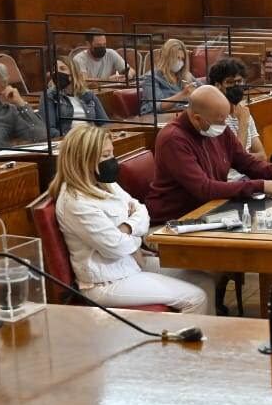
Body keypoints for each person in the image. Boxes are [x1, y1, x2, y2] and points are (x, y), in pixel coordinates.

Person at [50, 125, 207, 313]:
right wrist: (134, 239)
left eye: (111, 154)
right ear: (84, 161)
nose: (112, 161)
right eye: (105, 155)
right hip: (106, 282)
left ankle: (209, 338)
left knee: (202, 279)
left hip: (130, 264)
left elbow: (142, 210)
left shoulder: (104, 183)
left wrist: (126, 227)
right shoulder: (75, 202)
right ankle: (184, 339)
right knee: (195, 298)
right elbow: (116, 248)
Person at [146, 86, 272, 223]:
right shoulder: (173, 139)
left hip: (212, 209)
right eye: (220, 120)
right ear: (197, 118)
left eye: (225, 118)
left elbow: (245, 161)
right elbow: (204, 189)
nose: (224, 125)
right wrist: (260, 186)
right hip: (176, 220)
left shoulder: (217, 126)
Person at [207, 57, 266, 180]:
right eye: (230, 82)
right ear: (217, 85)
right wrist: (243, 124)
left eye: (239, 82)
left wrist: (245, 157)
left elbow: (262, 155)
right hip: (230, 180)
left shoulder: (243, 111)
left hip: (248, 176)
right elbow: (235, 158)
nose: (236, 86)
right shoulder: (216, 118)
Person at [41, 57, 109, 136]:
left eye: (62, 69)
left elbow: (105, 123)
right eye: (54, 70)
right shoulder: (50, 96)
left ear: (73, 73)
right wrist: (72, 139)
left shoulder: (88, 95)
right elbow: (49, 129)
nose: (57, 72)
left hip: (91, 139)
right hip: (68, 141)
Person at [138, 38, 196, 115]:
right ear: (167, 58)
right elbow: (157, 106)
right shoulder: (151, 77)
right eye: (177, 58)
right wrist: (182, 94)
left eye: (182, 59)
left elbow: (202, 89)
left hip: (180, 115)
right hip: (156, 118)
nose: (180, 62)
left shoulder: (186, 75)